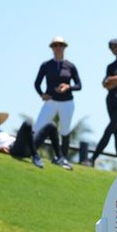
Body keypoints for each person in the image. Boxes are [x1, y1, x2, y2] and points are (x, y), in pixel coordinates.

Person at [82, 38, 117, 171]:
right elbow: (106, 86)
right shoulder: (110, 66)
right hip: (111, 100)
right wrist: (115, 81)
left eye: (116, 46)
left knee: (110, 128)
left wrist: (112, 79)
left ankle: (92, 158)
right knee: (116, 132)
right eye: (112, 48)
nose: (114, 49)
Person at [33, 36, 81, 167]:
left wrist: (68, 87)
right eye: (55, 45)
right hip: (51, 102)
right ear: (52, 48)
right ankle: (32, 152)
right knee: (38, 127)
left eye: (60, 45)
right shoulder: (46, 65)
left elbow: (79, 85)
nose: (58, 48)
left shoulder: (70, 66)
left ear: (64, 47)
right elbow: (37, 83)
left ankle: (62, 158)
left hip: (67, 103)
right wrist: (42, 94)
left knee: (65, 131)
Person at [0, 112, 71, 170]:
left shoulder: (2, 131)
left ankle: (59, 158)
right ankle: (35, 156)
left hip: (22, 145)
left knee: (52, 125)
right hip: (14, 149)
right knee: (27, 123)